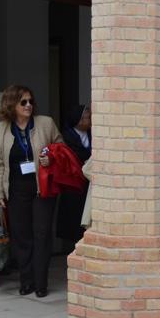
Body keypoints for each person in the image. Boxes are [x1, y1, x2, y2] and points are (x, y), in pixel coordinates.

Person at [0, 85, 62, 297]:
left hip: (43, 187)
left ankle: (41, 283)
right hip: (16, 189)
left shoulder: (45, 123)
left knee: (41, 234)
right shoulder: (0, 129)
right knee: (22, 236)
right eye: (23, 102)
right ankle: (26, 280)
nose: (29, 105)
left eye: (30, 101)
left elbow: (61, 147)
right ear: (11, 104)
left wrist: (51, 158)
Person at [57, 104, 92, 248]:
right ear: (77, 120)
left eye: (89, 117)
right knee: (73, 216)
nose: (89, 120)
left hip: (88, 180)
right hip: (73, 181)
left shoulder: (93, 133)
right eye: (85, 118)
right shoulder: (67, 136)